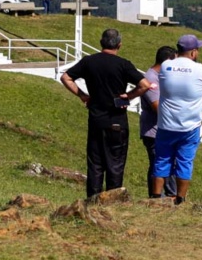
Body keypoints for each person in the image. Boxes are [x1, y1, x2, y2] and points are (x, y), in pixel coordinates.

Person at [61, 28, 153, 197]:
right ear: (119, 44)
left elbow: (65, 77)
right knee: (115, 165)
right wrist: (128, 97)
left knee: (95, 164)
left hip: (96, 119)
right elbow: (145, 85)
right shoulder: (123, 64)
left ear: (101, 43)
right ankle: (112, 203)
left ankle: (92, 201)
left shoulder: (89, 62)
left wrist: (83, 95)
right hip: (117, 119)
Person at [151, 34, 202, 203]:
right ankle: (180, 199)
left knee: (162, 159)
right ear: (193, 52)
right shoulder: (201, 69)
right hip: (190, 125)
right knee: (185, 162)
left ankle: (156, 198)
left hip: (166, 124)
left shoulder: (166, 66)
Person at [139, 46, 178, 198]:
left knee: (167, 164)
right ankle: (157, 198)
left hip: (163, 129)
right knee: (158, 164)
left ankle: (169, 195)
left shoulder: (162, 77)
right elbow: (157, 107)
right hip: (154, 131)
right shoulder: (151, 79)